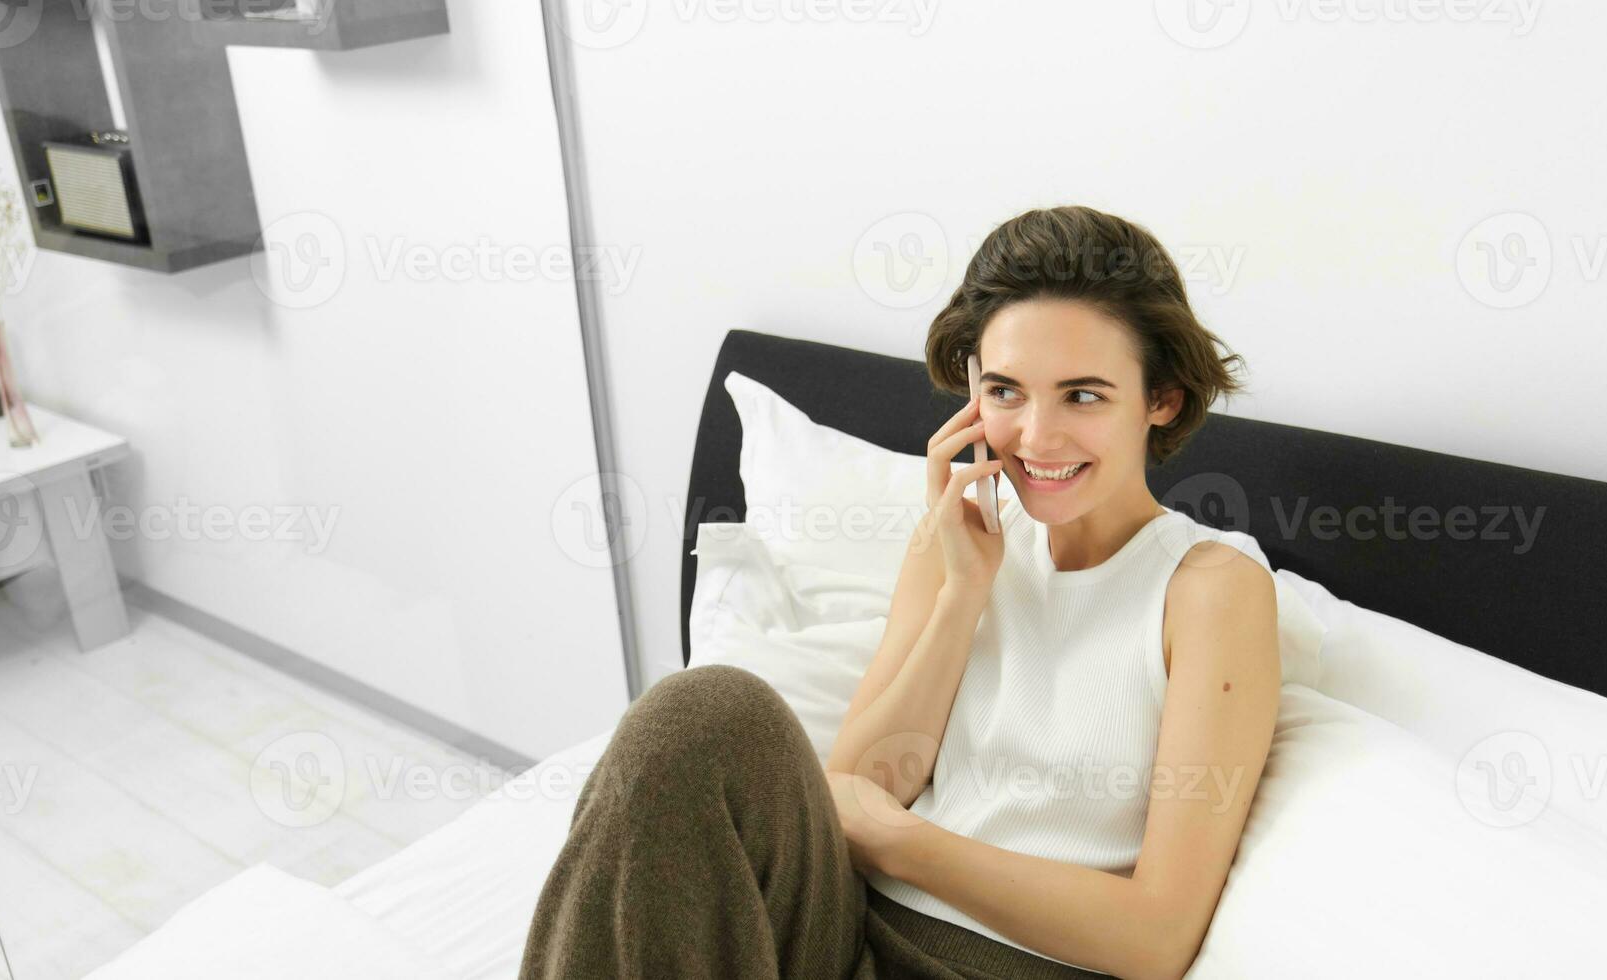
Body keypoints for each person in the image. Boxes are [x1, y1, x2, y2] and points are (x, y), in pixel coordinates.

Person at [522, 206, 1281, 980]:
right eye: (1006, 392)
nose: (1037, 437)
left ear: (1164, 400)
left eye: (1083, 396)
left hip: (1013, 967)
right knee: (698, 712)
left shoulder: (1212, 591)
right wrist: (962, 593)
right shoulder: (958, 538)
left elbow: (1156, 938)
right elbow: (856, 787)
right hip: (847, 929)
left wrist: (903, 843)